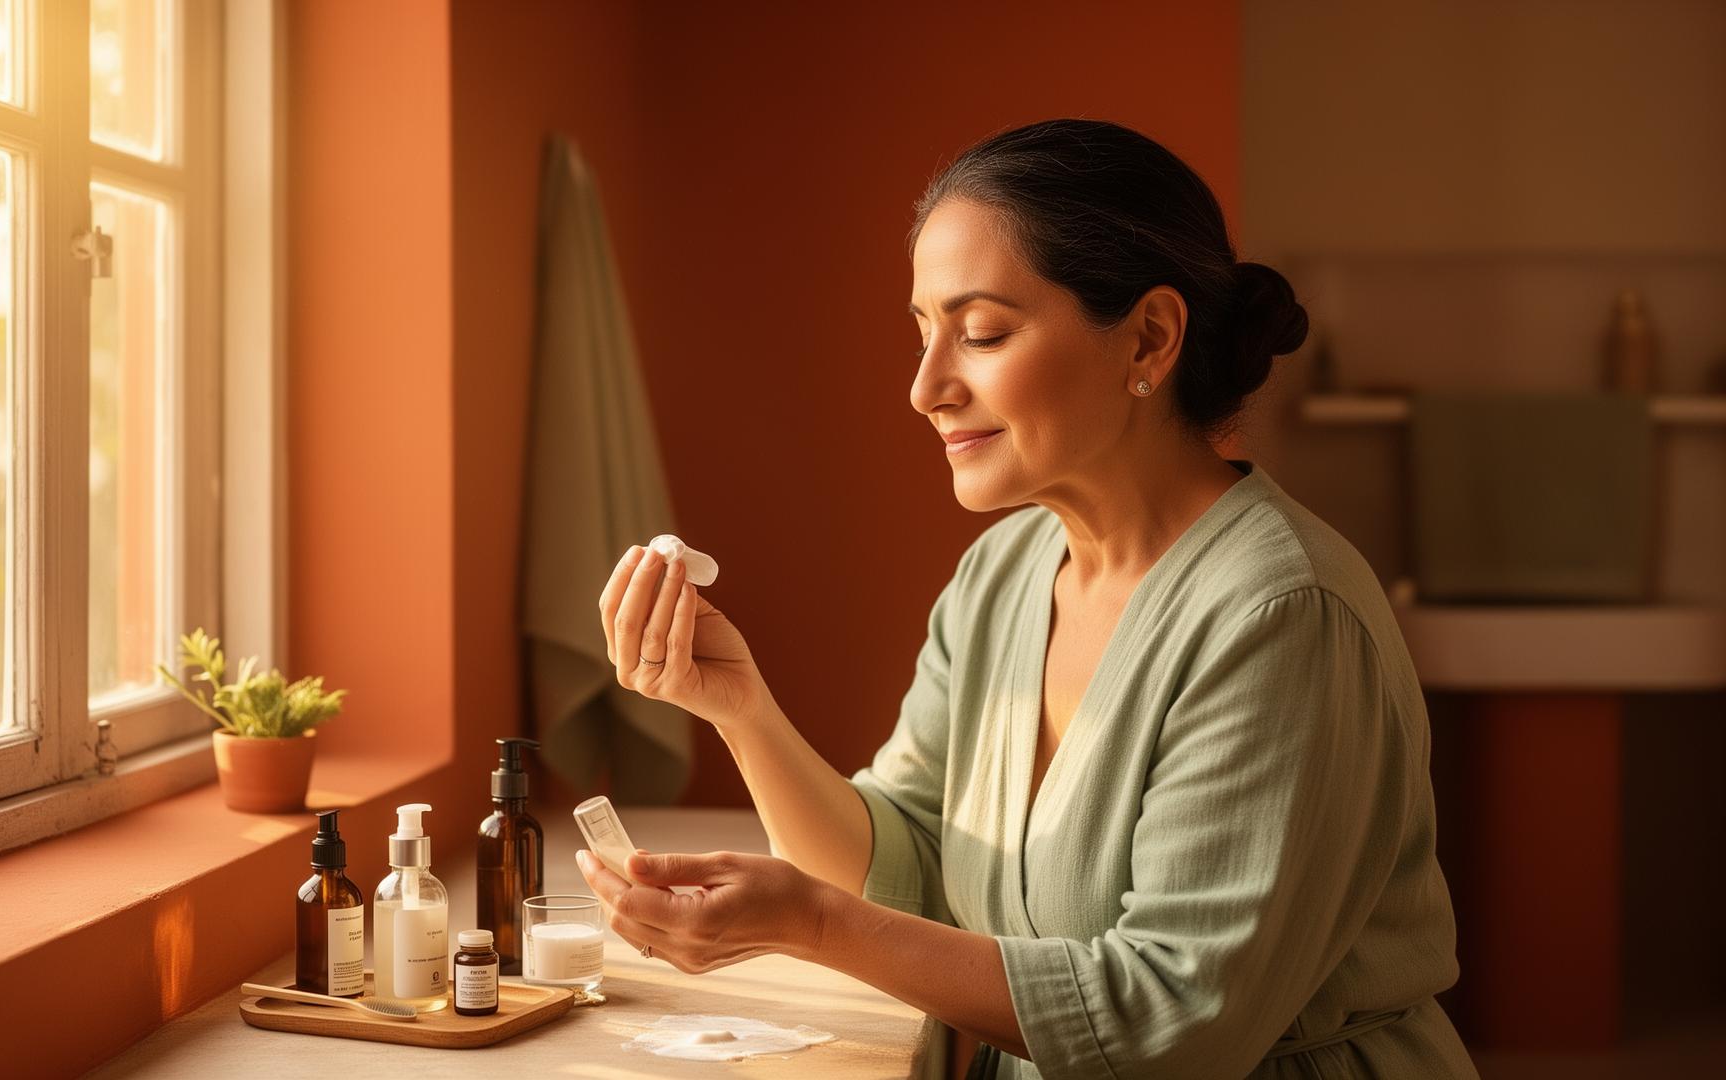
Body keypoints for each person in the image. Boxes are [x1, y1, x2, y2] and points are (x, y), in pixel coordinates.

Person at [579, 118, 1476, 1079]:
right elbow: (907, 865)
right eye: (922, 333)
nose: (926, 387)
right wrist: (741, 710)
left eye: (982, 334)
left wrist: (808, 921)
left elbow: (1173, 1022)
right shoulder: (1003, 574)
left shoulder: (1281, 616)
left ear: (1151, 337)